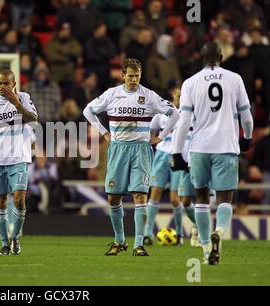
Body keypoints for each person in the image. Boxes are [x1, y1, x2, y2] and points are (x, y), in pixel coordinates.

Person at [83, 58, 180, 256]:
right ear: (122, 75)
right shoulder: (112, 94)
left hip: (141, 150)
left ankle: (138, 244)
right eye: (130, 75)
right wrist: (104, 133)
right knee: (113, 197)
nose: (134, 79)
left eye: (137, 75)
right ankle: (119, 241)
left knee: (140, 195)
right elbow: (88, 111)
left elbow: (175, 114)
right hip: (118, 148)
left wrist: (160, 137)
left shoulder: (149, 96)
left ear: (140, 75)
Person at [172, 41, 254, 265]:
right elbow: (247, 117)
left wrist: (177, 153)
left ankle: (207, 248)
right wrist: (246, 138)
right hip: (226, 146)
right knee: (225, 198)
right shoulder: (234, 79)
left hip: (199, 147)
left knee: (200, 197)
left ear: (201, 57)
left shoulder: (190, 83)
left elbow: (184, 121)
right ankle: (219, 231)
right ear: (221, 55)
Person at [0, 69, 38, 255]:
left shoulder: (24, 98)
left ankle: (16, 237)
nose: (2, 87)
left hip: (18, 158)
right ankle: (4, 243)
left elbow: (34, 121)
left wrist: (16, 104)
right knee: (1, 201)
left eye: (6, 84)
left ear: (14, 85)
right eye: (0, 83)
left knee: (19, 199)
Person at [144, 85, 198, 246]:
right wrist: (153, 141)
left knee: (176, 198)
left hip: (179, 157)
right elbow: (151, 130)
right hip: (161, 155)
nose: (181, 98)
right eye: (178, 95)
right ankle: (147, 233)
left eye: (183, 95)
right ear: (173, 96)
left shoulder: (192, 115)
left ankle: (181, 233)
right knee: (155, 192)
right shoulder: (162, 113)